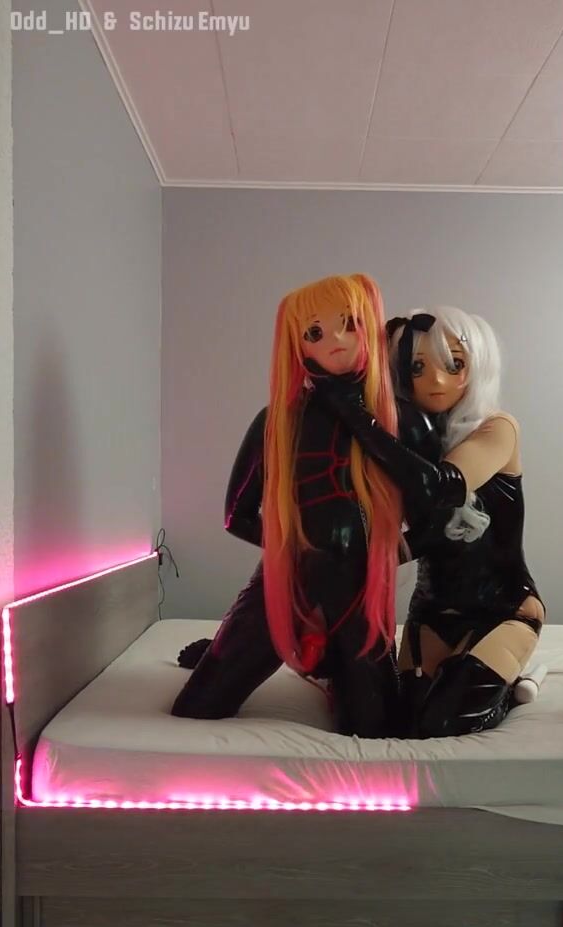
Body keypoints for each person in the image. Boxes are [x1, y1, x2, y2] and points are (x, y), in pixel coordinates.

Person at [171, 274, 409, 738]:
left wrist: (381, 551)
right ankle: (226, 648)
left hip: (358, 594)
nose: (336, 340)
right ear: (297, 347)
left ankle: (327, 664)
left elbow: (434, 512)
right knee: (199, 707)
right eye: (315, 332)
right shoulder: (277, 422)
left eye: (350, 324)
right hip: (283, 584)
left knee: (377, 728)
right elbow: (236, 515)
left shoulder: (392, 420)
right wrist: (293, 544)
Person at [311, 306, 545, 738]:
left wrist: (356, 415)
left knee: (443, 722)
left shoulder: (497, 429)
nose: (436, 380)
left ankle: (511, 688)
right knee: (400, 720)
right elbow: (418, 535)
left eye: (454, 364)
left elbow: (443, 488)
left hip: (503, 610)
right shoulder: (405, 442)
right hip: (433, 611)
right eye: (417, 367)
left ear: (477, 366)